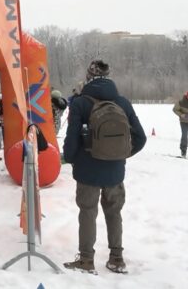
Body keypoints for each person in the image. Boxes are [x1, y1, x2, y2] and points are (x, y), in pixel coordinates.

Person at [63, 60, 146, 274]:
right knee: (114, 213)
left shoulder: (80, 103)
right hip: (115, 171)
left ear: (88, 77)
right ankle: (117, 258)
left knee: (88, 213)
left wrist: (72, 158)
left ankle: (86, 260)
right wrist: (122, 155)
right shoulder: (123, 103)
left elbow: (72, 138)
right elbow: (141, 137)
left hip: (87, 170)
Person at [172, 91, 188, 158]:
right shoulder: (181, 102)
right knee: (184, 136)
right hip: (183, 122)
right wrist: (181, 114)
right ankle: (183, 151)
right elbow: (175, 109)